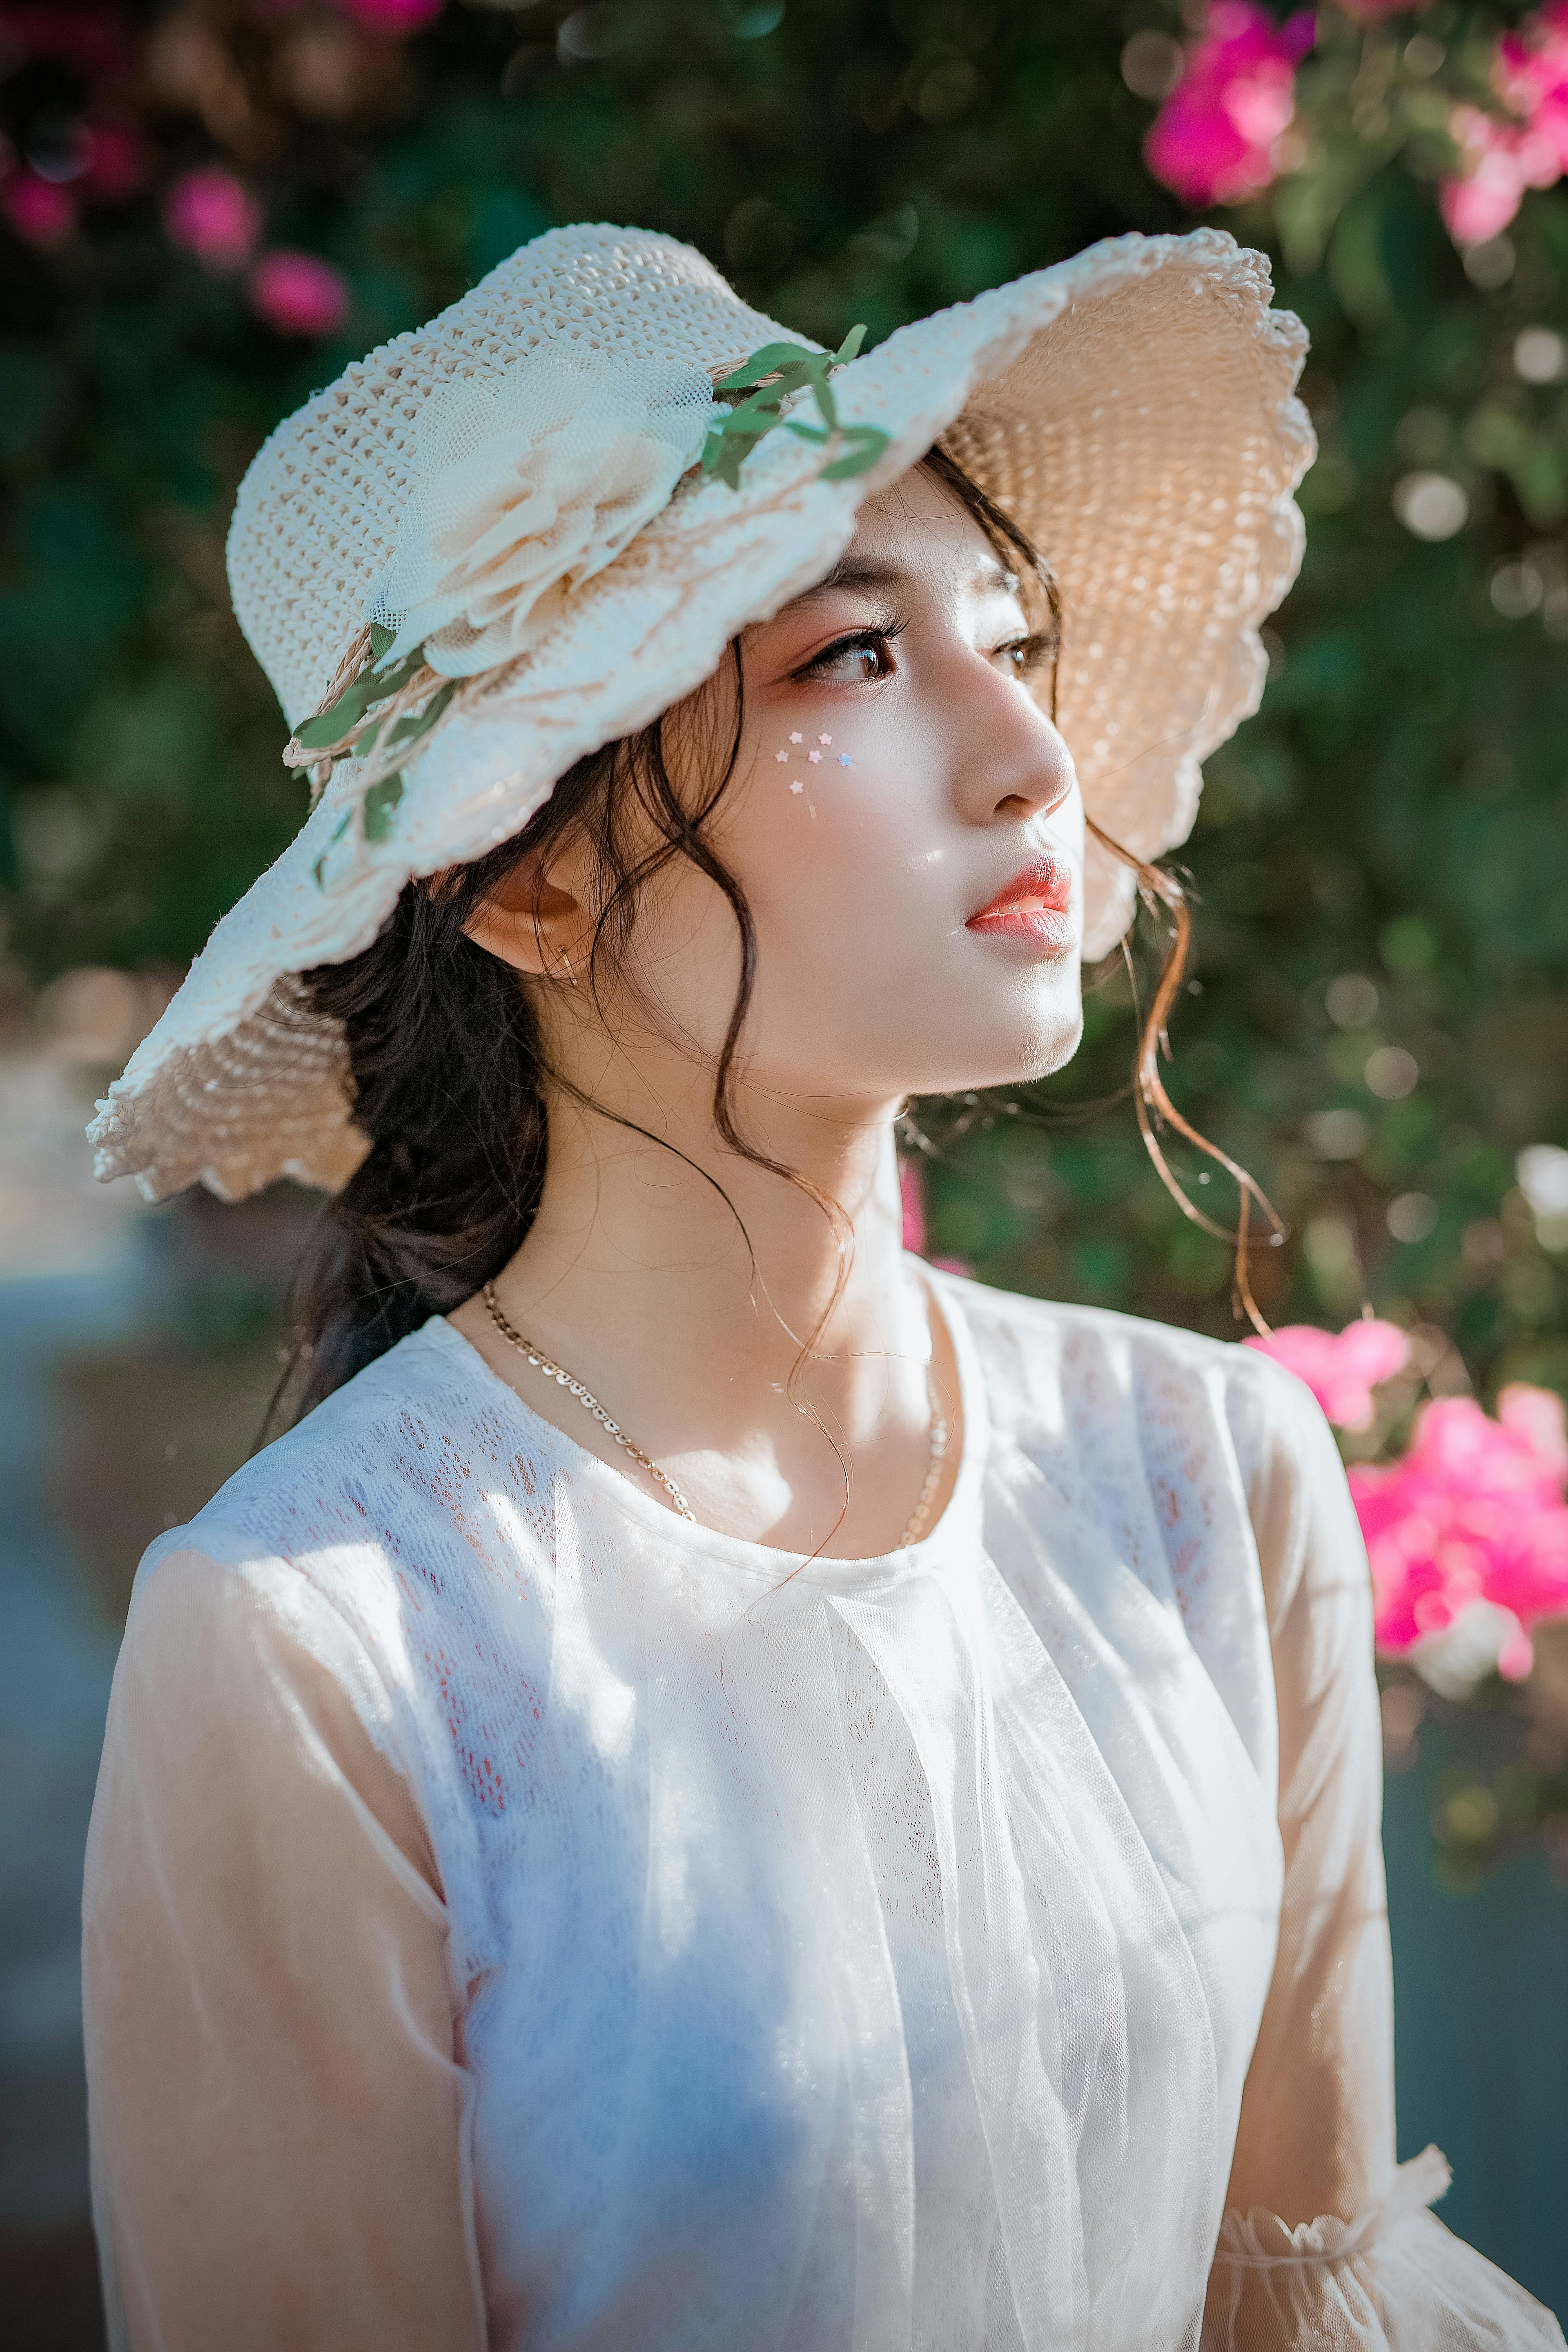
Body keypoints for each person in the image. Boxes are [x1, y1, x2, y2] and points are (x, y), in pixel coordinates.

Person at [81, 223, 1562, 2352]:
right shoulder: (319, 1646)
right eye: (851, 658)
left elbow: (1299, 2304)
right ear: (530, 872)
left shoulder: (1204, 1476)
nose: (1031, 752)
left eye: (1007, 633)